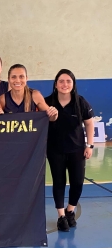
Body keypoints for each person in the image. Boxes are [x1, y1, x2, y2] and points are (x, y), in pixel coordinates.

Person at [45, 69, 94, 232]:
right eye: (61, 81)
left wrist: (90, 145)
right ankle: (60, 216)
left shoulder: (81, 102)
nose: (64, 84)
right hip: (55, 151)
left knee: (77, 182)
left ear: (73, 84)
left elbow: (89, 123)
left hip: (77, 150)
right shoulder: (47, 102)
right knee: (59, 183)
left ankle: (70, 211)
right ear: (56, 84)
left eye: (68, 81)